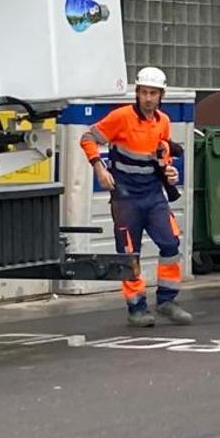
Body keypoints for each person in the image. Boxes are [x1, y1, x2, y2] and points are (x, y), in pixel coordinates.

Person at [80, 67, 192, 327]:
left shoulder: (162, 121)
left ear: (161, 95)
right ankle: (136, 308)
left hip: (153, 195)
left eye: (153, 93)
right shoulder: (121, 117)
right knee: (130, 255)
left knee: (171, 244)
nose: (148, 98)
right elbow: (87, 137)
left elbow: (162, 154)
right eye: (144, 93)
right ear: (137, 94)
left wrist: (170, 171)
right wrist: (99, 166)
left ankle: (166, 300)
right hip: (125, 197)